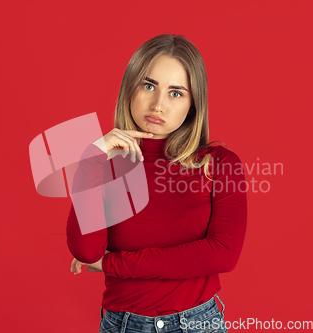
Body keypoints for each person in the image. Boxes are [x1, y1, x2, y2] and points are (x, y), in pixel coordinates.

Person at [66, 34, 247, 333]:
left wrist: (112, 264)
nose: (158, 104)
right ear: (130, 88)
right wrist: (90, 160)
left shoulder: (219, 164)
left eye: (176, 93)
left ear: (193, 105)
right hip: (122, 325)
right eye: (148, 86)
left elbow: (223, 253)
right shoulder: (105, 165)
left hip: (197, 324)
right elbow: (86, 252)